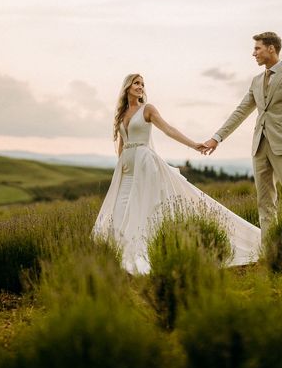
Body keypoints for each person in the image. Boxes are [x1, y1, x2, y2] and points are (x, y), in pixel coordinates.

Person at [93, 73, 261, 274]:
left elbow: (168, 130)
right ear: (127, 86)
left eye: (142, 84)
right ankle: (119, 252)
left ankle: (144, 250)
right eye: (136, 83)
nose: (140, 86)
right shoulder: (121, 114)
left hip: (146, 165)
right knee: (120, 207)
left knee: (142, 208)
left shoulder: (148, 109)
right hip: (126, 169)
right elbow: (121, 143)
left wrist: (193, 145)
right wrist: (121, 165)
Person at [202, 31, 282, 239]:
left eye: (257, 48)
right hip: (259, 147)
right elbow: (241, 111)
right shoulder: (256, 80)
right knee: (264, 202)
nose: (254, 53)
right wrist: (217, 138)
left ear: (271, 48)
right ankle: (269, 251)